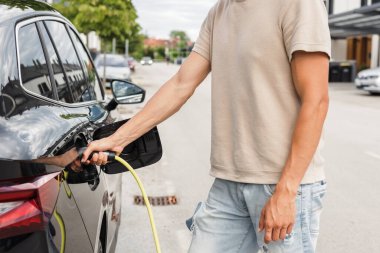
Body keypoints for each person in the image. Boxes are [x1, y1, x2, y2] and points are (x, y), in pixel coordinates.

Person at [81, 0, 331, 252]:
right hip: (229, 184)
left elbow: (316, 100)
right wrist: (119, 138)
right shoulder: (219, 13)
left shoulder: (298, 4)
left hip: (284, 183)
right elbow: (181, 84)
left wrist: (287, 190)